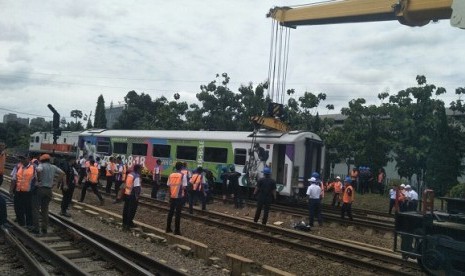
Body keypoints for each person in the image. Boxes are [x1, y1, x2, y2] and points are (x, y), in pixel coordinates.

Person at [33, 154, 65, 234]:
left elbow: (38, 170)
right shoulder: (53, 167)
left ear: (42, 160)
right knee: (45, 209)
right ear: (49, 160)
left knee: (36, 209)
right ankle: (44, 228)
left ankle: (36, 228)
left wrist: (39, 180)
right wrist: (56, 182)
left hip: (40, 189)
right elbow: (62, 173)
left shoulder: (41, 165)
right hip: (49, 190)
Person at [10, 155, 36, 228]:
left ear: (28, 159)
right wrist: (11, 190)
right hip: (18, 191)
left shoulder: (34, 167)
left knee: (28, 208)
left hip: (28, 192)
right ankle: (21, 223)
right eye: (20, 159)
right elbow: (14, 179)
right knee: (17, 207)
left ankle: (29, 224)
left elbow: (38, 179)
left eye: (23, 158)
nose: (22, 160)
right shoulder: (18, 166)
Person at [166, 161, 187, 235]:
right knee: (178, 214)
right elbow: (184, 187)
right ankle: (177, 231)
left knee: (170, 212)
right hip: (179, 197)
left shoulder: (171, 174)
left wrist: (170, 195)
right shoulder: (182, 175)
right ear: (181, 167)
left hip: (172, 196)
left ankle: (168, 228)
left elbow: (168, 186)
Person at [122, 164, 142, 231]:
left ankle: (124, 223)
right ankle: (128, 224)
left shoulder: (130, 174)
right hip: (132, 195)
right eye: (141, 169)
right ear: (138, 169)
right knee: (132, 210)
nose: (141, 170)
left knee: (126, 209)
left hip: (127, 193)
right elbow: (137, 188)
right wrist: (137, 196)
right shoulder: (136, 176)